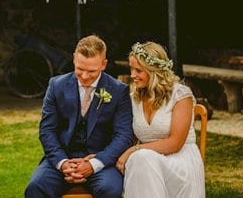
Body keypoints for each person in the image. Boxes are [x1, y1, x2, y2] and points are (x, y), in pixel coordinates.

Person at [25, 35, 134, 198]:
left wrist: (94, 163)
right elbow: (47, 130)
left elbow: (123, 135)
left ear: (103, 64)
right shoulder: (56, 85)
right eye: (80, 69)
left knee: (110, 190)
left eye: (91, 71)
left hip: (101, 161)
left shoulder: (118, 91)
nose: (84, 76)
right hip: (63, 158)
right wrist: (63, 163)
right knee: (36, 187)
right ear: (74, 59)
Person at [115, 42, 205, 197]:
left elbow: (175, 143)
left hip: (179, 162)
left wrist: (133, 150)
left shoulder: (180, 95)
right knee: (141, 160)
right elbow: (128, 137)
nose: (132, 75)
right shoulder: (133, 97)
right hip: (147, 164)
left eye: (138, 70)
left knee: (140, 158)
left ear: (154, 71)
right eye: (131, 69)